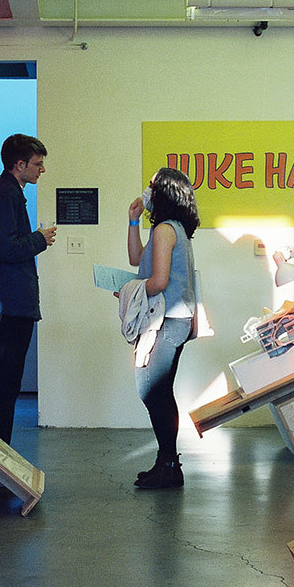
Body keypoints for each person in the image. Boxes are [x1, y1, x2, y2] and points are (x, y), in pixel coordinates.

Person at [0, 134, 55, 489]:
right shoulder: (5, 193)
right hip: (11, 303)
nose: (42, 169)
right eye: (37, 164)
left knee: (5, 380)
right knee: (5, 382)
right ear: (19, 165)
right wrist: (40, 239)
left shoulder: (4, 192)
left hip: (10, 302)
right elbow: (6, 248)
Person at [126, 167, 199, 490]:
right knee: (157, 391)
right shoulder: (169, 229)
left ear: (164, 193)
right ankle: (166, 463)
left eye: (152, 186)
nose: (147, 190)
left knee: (152, 390)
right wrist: (133, 220)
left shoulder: (166, 231)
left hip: (168, 320)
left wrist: (131, 292)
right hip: (172, 319)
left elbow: (157, 282)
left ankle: (169, 464)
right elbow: (135, 259)